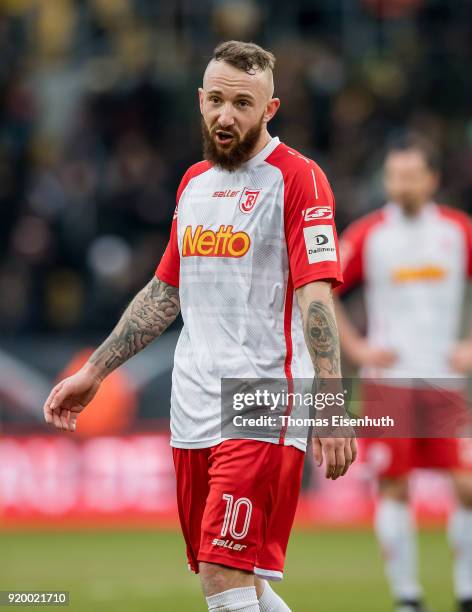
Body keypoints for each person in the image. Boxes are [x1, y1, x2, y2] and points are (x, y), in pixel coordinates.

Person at [43, 40, 356, 612]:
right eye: (215, 100)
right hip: (192, 402)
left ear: (270, 109)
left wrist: (332, 405)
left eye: (242, 103)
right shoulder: (194, 184)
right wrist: (94, 370)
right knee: (243, 579)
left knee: (222, 568)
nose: (225, 115)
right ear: (199, 100)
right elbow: (165, 292)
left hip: (262, 396)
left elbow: (316, 298)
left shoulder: (299, 180)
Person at [335, 134, 472, 612]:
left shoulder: (458, 230)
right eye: (394, 177)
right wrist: (355, 346)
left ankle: (466, 591)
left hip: (445, 379)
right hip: (388, 382)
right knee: (394, 486)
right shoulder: (368, 234)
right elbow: (320, 286)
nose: (402, 185)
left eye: (411, 176)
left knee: (467, 485)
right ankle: (407, 597)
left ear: (432, 179)